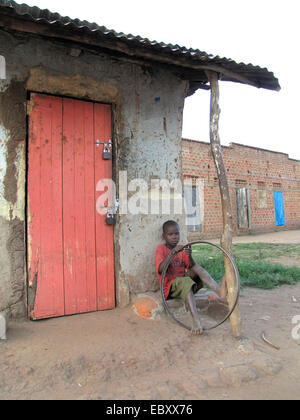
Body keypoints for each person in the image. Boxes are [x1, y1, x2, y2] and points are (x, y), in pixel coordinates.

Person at [155, 220, 227, 335]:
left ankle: (218, 289)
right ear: (164, 236)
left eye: (176, 234)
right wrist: (172, 253)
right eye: (170, 234)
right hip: (170, 288)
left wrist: (189, 256)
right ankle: (195, 319)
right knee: (186, 281)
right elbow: (160, 269)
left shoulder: (182, 249)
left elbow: (192, 266)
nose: (174, 237)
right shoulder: (161, 249)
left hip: (185, 284)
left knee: (197, 269)